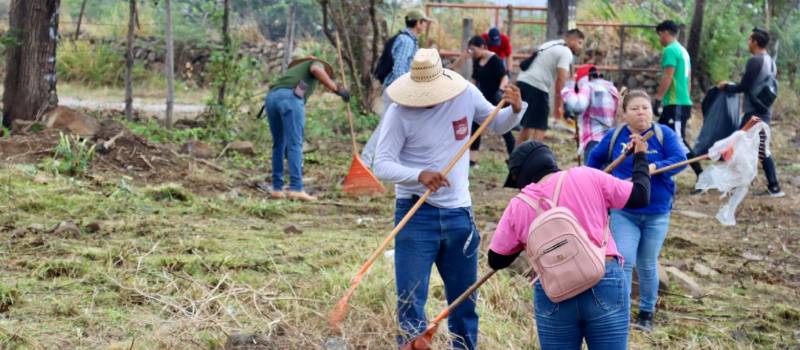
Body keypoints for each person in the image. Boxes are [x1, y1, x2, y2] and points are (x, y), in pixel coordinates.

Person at [373, 48, 526, 350]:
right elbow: (382, 164)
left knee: (464, 301)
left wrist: (514, 110)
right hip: (416, 215)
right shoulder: (399, 112)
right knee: (410, 300)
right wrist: (419, 175)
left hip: (459, 215)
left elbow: (495, 123)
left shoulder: (465, 93)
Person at [488, 137, 652, 350]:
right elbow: (641, 195)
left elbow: (496, 260)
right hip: (603, 277)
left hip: (555, 291)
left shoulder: (519, 205)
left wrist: (524, 239)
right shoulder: (587, 176)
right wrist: (640, 157)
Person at [587, 90, 687, 333]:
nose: (641, 112)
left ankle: (646, 313)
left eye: (645, 107)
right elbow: (593, 161)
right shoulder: (616, 136)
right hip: (624, 212)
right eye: (635, 108)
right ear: (624, 113)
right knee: (625, 260)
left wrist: (655, 166)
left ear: (652, 112)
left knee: (647, 264)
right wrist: (598, 182)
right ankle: (619, 312)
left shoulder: (664, 135)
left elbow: (681, 159)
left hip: (657, 214)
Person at [264, 56, 350, 202]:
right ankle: (296, 189)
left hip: (272, 98)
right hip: (290, 98)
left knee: (279, 144)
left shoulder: (297, 74)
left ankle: (277, 189)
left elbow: (299, 88)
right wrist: (337, 89)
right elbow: (316, 69)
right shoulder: (314, 63)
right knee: (295, 144)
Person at [361, 9, 432, 168]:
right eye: (424, 22)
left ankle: (388, 162)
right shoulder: (406, 41)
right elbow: (399, 69)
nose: (426, 25)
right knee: (386, 127)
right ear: (417, 23)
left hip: (397, 89)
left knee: (400, 127)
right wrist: (406, 92)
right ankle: (366, 161)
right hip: (397, 90)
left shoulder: (410, 40)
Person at [718, 27, 783, 197]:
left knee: (738, 145)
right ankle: (773, 186)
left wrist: (726, 86)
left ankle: (735, 185)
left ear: (754, 42)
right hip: (764, 111)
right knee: (761, 149)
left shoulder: (755, 61)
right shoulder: (770, 61)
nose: (748, 43)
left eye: (749, 39)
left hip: (754, 112)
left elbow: (744, 86)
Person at [516, 29, 585, 144]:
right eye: (580, 43)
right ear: (572, 41)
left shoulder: (552, 44)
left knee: (528, 125)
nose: (581, 47)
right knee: (540, 126)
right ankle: (533, 157)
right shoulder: (566, 51)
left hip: (523, 82)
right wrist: (561, 105)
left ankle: (516, 157)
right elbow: (561, 78)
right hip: (536, 86)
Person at [653, 20, 703, 177]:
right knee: (657, 135)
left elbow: (668, 76)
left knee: (678, 141)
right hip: (678, 103)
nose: (660, 39)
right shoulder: (683, 51)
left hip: (675, 104)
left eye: (660, 35)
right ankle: (657, 171)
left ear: (666, 33)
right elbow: (687, 80)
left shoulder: (670, 50)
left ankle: (700, 174)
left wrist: (658, 99)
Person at [465, 35, 515, 167]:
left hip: (495, 99)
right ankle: (472, 160)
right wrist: (470, 93)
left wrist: (500, 91)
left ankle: (515, 159)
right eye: (469, 50)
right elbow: (474, 79)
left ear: (482, 47)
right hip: (481, 99)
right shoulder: (477, 60)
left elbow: (504, 77)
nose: (472, 53)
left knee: (504, 129)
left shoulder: (495, 60)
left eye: (473, 49)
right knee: (475, 127)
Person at [560, 64, 620, 163]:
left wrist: (568, 88)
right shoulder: (611, 89)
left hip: (594, 142)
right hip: (612, 141)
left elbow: (577, 105)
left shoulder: (588, 86)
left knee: (592, 176)